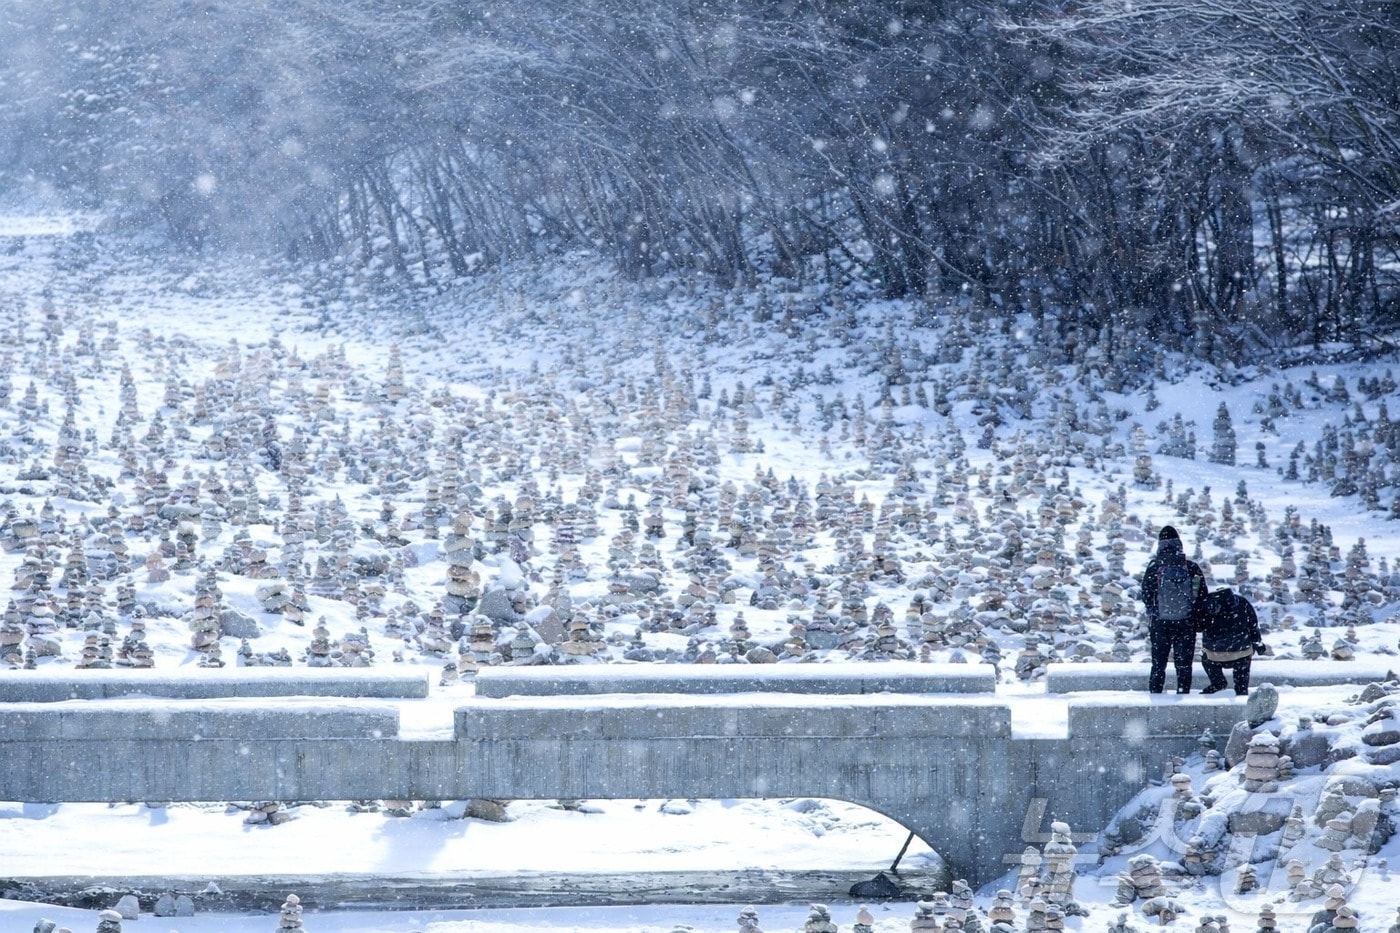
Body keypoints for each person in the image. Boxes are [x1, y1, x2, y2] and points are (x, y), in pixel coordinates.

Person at [1140, 525, 1206, 693]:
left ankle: (1155, 695)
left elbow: (1146, 593)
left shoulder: (1154, 567)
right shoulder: (1191, 567)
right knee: (1184, 665)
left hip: (1160, 623)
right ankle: (1183, 696)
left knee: (1158, 664)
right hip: (1186, 623)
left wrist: (1154, 611)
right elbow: (1202, 596)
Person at [1198, 586, 1265, 695]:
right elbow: (1253, 624)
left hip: (1214, 654)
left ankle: (1218, 682)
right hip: (1241, 652)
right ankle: (1241, 689)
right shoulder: (1241, 601)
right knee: (1242, 669)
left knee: (1206, 657)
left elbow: (1199, 626)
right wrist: (1257, 642)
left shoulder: (1208, 604)